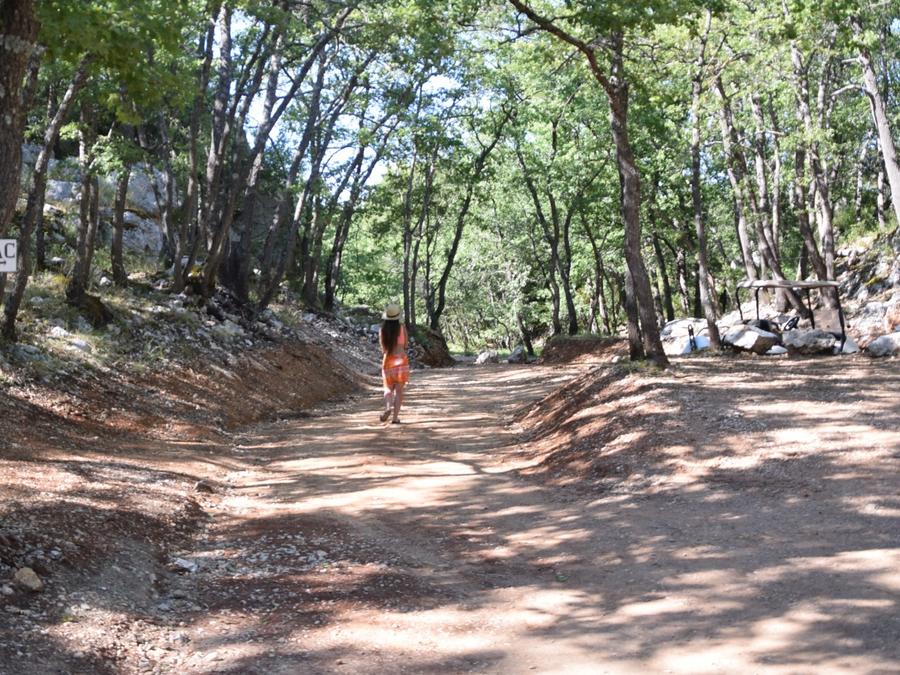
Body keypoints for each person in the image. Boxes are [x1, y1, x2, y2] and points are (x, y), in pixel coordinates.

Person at [379, 303, 409, 424]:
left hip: (388, 361)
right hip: (401, 360)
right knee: (399, 391)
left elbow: (383, 349)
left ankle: (388, 407)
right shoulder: (402, 328)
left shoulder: (382, 330)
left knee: (388, 388)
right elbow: (405, 345)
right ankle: (395, 418)